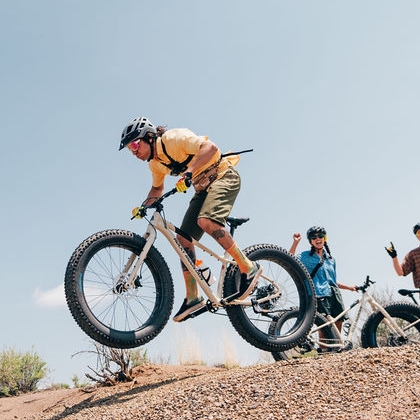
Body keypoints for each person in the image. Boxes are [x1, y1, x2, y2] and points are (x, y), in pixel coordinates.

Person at [120, 117, 262, 322]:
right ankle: (193, 297)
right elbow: (157, 189)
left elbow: (211, 148)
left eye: (134, 144)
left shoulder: (173, 138)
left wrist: (188, 172)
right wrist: (144, 206)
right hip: (202, 188)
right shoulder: (155, 165)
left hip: (223, 175)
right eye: (129, 149)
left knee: (206, 221)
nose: (133, 151)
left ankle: (249, 267)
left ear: (149, 137)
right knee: (183, 239)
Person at [288, 226, 356, 334]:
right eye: (314, 237)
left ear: (325, 238)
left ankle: (336, 347)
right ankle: (324, 350)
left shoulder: (330, 259)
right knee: (324, 324)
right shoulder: (305, 256)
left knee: (339, 320)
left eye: (320, 236)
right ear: (311, 241)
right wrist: (295, 243)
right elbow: (289, 258)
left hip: (334, 293)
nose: (317, 239)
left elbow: (332, 280)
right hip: (319, 294)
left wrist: (350, 288)